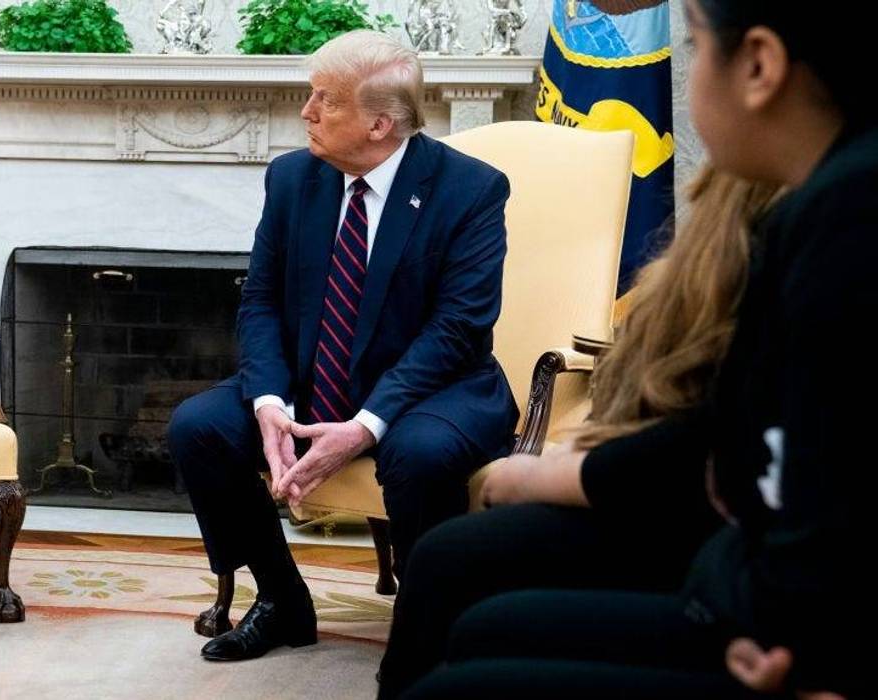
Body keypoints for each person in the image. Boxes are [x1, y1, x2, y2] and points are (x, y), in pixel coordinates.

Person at [403, 0, 877, 696]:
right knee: (482, 628)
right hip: (747, 592)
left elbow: (760, 462)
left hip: (773, 626)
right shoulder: (825, 202)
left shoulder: (844, 218)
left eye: (689, 44)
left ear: (757, 65)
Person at [167, 29, 519, 662]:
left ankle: (427, 621)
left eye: (324, 100)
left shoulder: (471, 190)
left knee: (423, 453)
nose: (306, 112)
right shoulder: (294, 178)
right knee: (200, 426)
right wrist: (270, 402)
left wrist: (365, 426)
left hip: (434, 387)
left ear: (381, 123)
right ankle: (282, 600)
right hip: (312, 378)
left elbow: (458, 328)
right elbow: (262, 300)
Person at [376, 165, 780, 697]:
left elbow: (711, 443)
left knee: (460, 603)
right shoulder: (754, 211)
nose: (311, 111)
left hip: (735, 557)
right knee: (457, 576)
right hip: (720, 536)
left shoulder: (820, 226)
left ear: (761, 77)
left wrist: (553, 475)